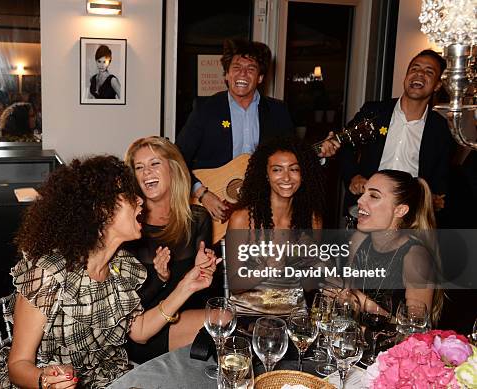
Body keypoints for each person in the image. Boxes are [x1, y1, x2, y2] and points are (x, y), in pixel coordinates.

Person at [0, 156, 218, 389]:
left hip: (104, 379)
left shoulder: (122, 267)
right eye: (128, 195)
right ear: (102, 210)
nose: (139, 200)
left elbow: (140, 332)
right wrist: (47, 380)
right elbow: (18, 365)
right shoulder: (49, 273)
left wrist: (189, 284)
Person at [176, 39, 338, 222]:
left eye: (251, 69)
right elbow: (177, 158)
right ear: (227, 75)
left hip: (262, 207)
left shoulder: (278, 112)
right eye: (236, 67)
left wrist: (320, 154)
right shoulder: (206, 109)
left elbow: (293, 157)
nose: (242, 74)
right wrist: (202, 193)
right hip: (212, 208)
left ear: (260, 77)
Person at [124, 136, 216, 363]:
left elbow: (204, 295)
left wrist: (206, 270)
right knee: (223, 320)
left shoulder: (197, 218)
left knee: (228, 323)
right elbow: (122, 306)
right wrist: (158, 279)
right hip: (143, 329)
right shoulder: (129, 224)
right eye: (139, 167)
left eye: (155, 164)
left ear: (173, 169)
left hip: (184, 321)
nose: (147, 172)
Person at [339, 49, 454, 213]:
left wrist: (433, 199)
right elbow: (345, 144)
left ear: (437, 85)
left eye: (429, 71)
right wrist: (353, 176)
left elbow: (440, 181)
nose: (419, 74)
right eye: (414, 69)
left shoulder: (441, 129)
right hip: (366, 206)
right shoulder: (374, 112)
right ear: (406, 76)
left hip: (409, 214)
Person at [226, 137, 327, 313]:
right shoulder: (243, 219)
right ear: (266, 174)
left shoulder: (311, 220)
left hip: (294, 316)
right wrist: (266, 269)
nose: (286, 177)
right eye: (277, 170)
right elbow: (235, 285)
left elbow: (309, 286)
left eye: (294, 169)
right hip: (248, 315)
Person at [347, 169, 443, 324]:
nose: (360, 200)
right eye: (363, 193)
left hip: (393, 347)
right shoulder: (358, 239)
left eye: (373, 196)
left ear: (400, 210)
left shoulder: (416, 256)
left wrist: (361, 302)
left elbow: (415, 329)